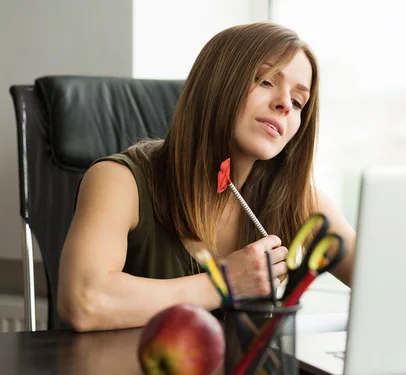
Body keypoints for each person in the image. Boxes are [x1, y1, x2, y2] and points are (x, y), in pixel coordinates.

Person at [57, 22, 356, 332]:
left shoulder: (299, 201)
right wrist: (224, 283)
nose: (284, 105)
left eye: (298, 102)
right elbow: (83, 302)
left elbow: (386, 283)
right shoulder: (119, 180)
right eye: (266, 80)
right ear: (217, 83)